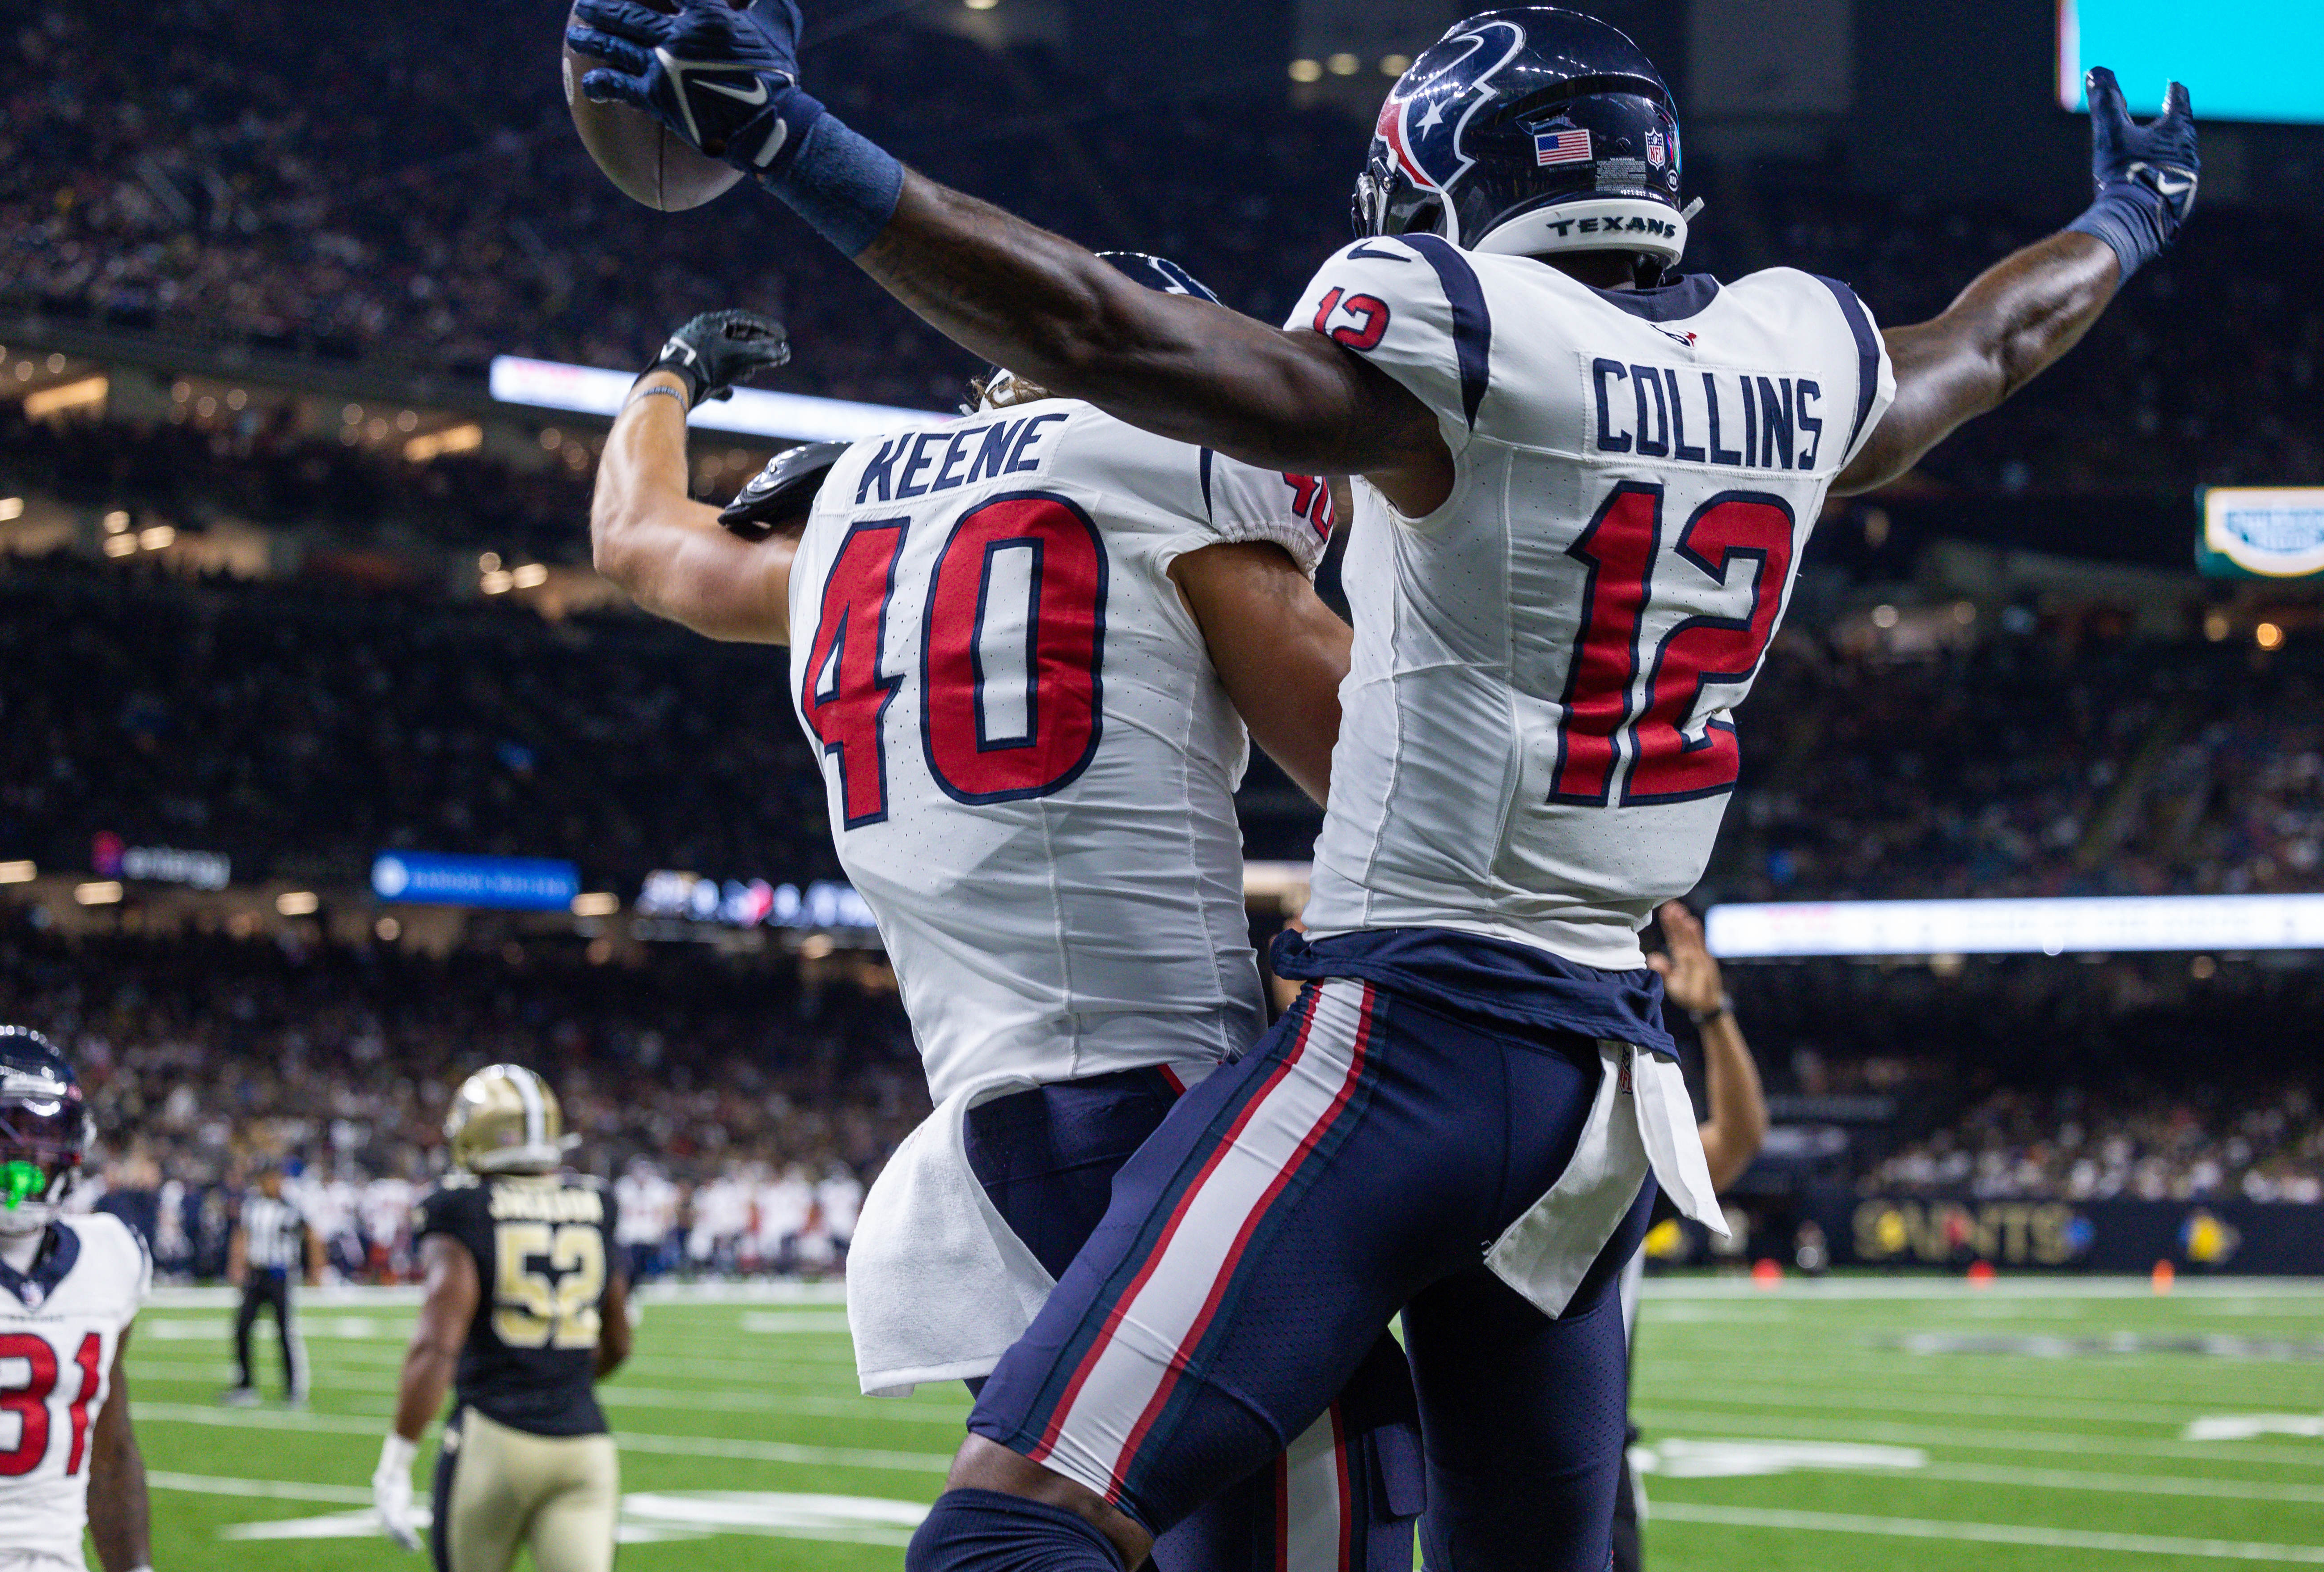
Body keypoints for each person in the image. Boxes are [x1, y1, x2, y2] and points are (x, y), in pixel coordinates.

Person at [566, 4, 2197, 1567]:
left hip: (1399, 1051)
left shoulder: (1449, 337)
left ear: (1456, 184)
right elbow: (1987, 342)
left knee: (1016, 1522)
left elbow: (1093, 331)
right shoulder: (1795, 350)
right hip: (1601, 1077)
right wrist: (2129, 216)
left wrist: (795, 143)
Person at [591, 273, 1417, 1569]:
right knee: (1319, 1505)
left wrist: (670, 376)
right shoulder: (1160, 464)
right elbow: (1394, 783)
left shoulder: (859, 504)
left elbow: (639, 538)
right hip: (1163, 1116)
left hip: (993, 1136)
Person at [370, 1064, 632, 1572]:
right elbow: (619, 1342)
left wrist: (397, 1458)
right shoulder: (596, 1201)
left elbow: (436, 1345)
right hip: (584, 1443)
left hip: (494, 1438)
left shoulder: (463, 1206)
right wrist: (556, 1380)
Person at [1613, 899, 1767, 1572]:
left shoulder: (1613, 1150)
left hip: (1589, 1450)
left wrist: (1712, 1014)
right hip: (1455, 1441)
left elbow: (1736, 1139)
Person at [0, 1026, 154, 1572]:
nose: (25, 1151)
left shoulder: (111, 1254)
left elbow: (111, 1443)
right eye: (1, 1129)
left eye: (43, 1132)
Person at [221, 1161, 319, 1407]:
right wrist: (237, 1266)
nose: (274, 1184)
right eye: (270, 1179)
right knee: (242, 1327)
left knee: (285, 1331)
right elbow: (241, 1234)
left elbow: (312, 1236)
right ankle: (245, 1387)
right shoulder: (252, 1205)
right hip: (256, 1275)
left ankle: (294, 1389)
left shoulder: (293, 1206)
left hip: (281, 1275)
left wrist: (315, 1270)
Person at [613, 1156, 679, 1284]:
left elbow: (668, 1211)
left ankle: (657, 1281)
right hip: (629, 1235)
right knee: (630, 1268)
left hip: (652, 1234)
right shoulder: (623, 1186)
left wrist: (663, 1229)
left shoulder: (660, 1187)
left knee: (654, 1266)